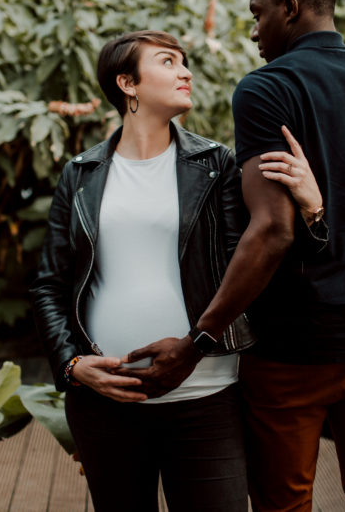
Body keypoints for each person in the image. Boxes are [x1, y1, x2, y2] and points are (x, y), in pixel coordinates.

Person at [121, 0, 345, 511]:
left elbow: (273, 231)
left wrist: (197, 343)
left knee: (283, 505)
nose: (253, 31)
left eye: (257, 13)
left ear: (289, 7)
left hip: (293, 352)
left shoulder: (268, 88)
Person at [30, 30, 325, 512]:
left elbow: (256, 268)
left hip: (208, 397)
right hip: (105, 405)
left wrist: (312, 214)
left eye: (185, 62)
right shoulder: (79, 174)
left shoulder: (215, 165)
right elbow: (50, 284)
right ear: (127, 83)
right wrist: (72, 366)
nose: (186, 72)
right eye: (168, 62)